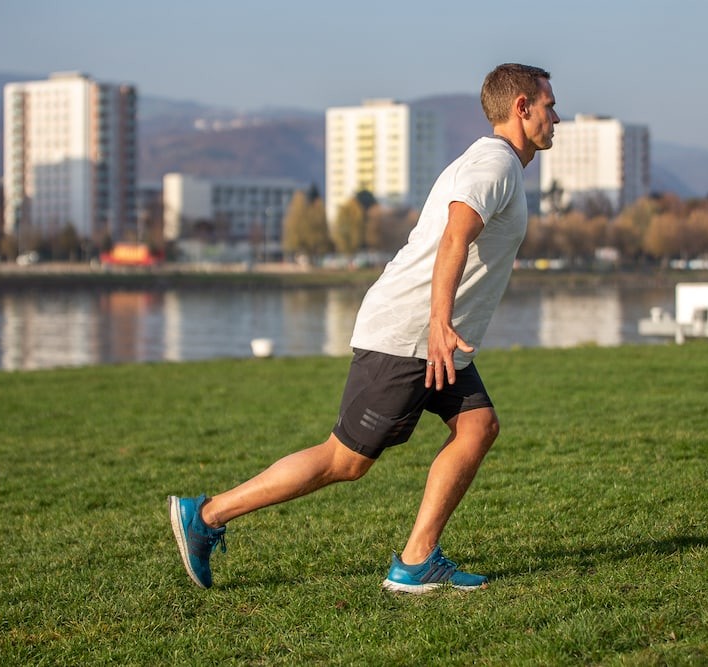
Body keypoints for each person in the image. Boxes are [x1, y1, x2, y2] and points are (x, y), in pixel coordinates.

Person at [169, 63, 559, 593]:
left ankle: (417, 561)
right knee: (344, 460)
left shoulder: (499, 165)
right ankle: (208, 514)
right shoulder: (494, 165)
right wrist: (439, 322)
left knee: (478, 427)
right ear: (521, 108)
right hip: (412, 335)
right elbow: (454, 238)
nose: (556, 117)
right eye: (549, 105)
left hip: (437, 340)